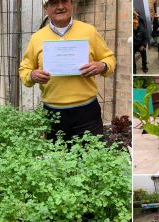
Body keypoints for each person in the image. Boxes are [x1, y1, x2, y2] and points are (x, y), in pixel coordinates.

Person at [19, 0, 116, 141]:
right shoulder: (37, 38)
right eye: (53, 3)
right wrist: (32, 75)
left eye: (64, 1)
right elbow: (24, 70)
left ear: (72, 4)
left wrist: (102, 66)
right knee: (57, 160)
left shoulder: (89, 31)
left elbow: (110, 59)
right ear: (45, 8)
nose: (60, 7)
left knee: (91, 159)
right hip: (53, 114)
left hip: (87, 111)